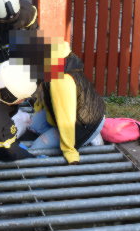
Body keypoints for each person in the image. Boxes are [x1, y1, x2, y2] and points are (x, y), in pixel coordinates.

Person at [10, 33, 105, 165]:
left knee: (35, 150)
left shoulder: (60, 81)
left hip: (83, 124)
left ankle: (90, 137)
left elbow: (66, 119)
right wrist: (38, 109)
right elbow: (44, 92)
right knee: (31, 124)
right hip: (82, 111)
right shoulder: (57, 59)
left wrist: (69, 151)